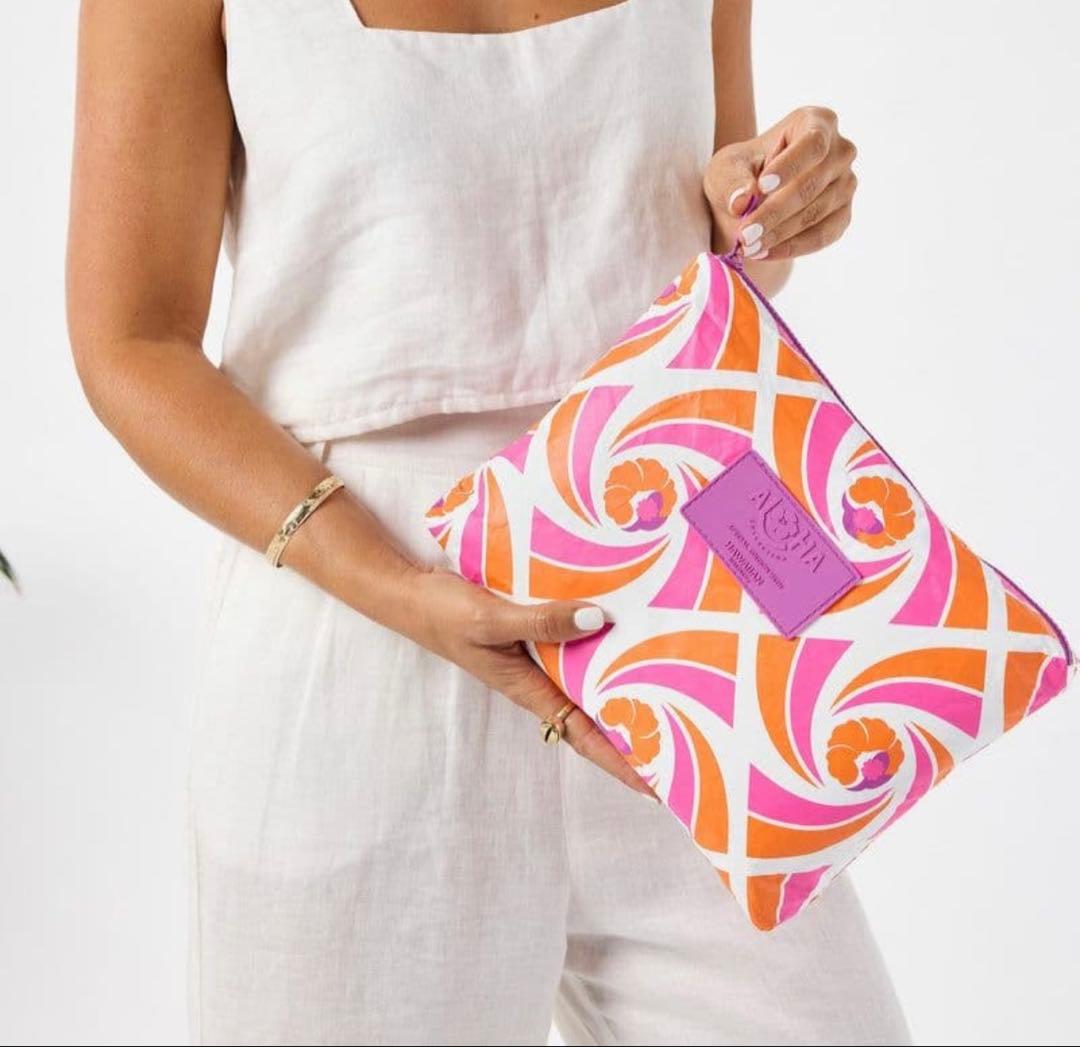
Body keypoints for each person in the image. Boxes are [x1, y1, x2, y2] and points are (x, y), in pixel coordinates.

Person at [65, 1, 910, 1043]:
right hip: (356, 642)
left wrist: (773, 203)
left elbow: (720, 260)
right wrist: (397, 588)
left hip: (684, 629)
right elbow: (133, 340)